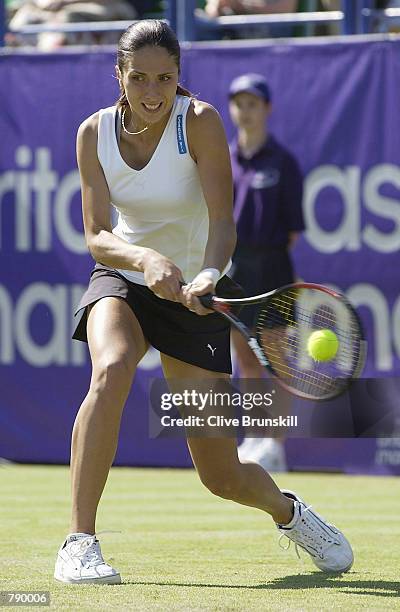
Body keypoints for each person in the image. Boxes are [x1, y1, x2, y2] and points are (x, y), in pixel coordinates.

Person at [54, 20, 353, 585]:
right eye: (138, 77)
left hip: (193, 297)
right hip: (124, 278)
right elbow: (96, 234)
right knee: (112, 367)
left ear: (178, 77)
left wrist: (208, 274)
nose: (151, 91)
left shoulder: (202, 122)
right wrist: (144, 260)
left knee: (221, 476)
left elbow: (222, 222)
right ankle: (79, 542)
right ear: (118, 75)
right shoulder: (92, 133)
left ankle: (291, 513)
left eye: (165, 78)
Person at [228, 73, 305, 472]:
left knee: (276, 359)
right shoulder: (222, 158)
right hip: (236, 268)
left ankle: (275, 444)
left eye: (253, 103)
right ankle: (255, 439)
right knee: (245, 360)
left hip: (274, 265)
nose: (245, 111)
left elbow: (293, 230)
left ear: (267, 109)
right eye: (239, 103)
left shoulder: (284, 162)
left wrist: (266, 260)